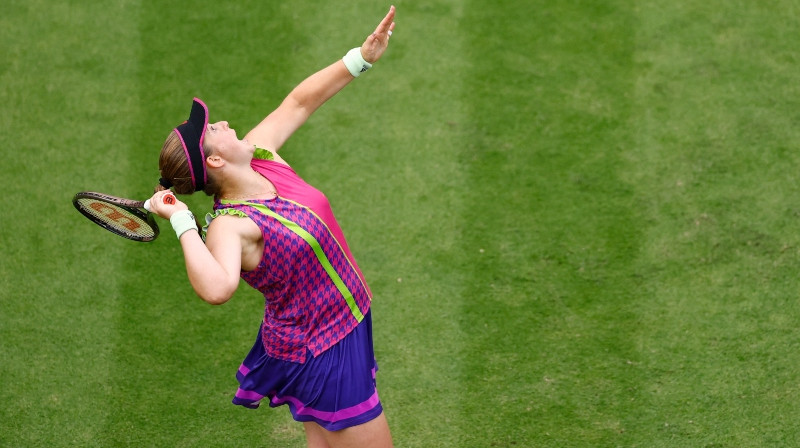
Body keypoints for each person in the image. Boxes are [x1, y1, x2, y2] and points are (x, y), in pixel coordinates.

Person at [147, 6, 396, 448]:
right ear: (216, 161)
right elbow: (217, 288)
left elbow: (299, 102)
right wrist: (181, 219)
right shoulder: (231, 225)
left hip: (340, 326)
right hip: (319, 350)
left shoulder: (261, 156)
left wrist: (361, 57)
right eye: (212, 131)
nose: (222, 122)